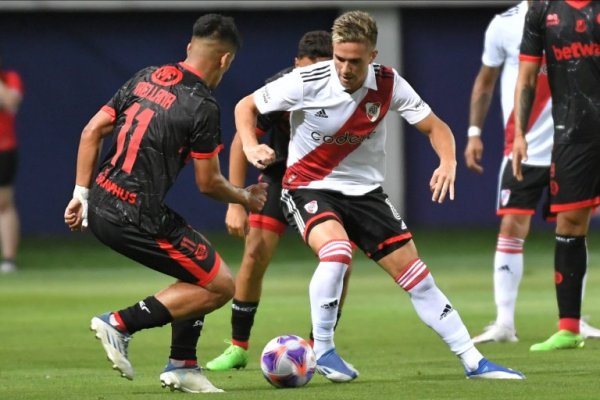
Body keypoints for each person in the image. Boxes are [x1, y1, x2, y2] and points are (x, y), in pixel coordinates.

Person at [235, 10, 524, 381]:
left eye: (354, 61)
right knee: (337, 252)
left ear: (372, 55)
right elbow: (246, 105)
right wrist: (250, 145)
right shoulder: (306, 80)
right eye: (339, 58)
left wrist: (448, 160)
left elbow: (436, 127)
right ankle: (322, 349)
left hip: (366, 193)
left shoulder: (388, 84)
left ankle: (474, 362)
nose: (344, 68)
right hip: (308, 186)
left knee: (419, 278)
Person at [63, 14, 267, 393]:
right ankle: (119, 323)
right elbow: (208, 183)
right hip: (136, 214)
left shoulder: (146, 76)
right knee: (221, 286)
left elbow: (91, 131)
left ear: (190, 47)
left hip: (103, 204)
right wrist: (244, 197)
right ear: (226, 61)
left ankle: (183, 364)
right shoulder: (202, 105)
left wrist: (80, 195)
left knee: (199, 269)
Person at [206, 30, 352, 372]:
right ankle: (238, 347)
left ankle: (320, 347)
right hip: (279, 178)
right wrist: (236, 201)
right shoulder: (281, 88)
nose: (316, 78)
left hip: (327, 183)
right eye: (309, 70)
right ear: (296, 65)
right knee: (254, 254)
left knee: (341, 260)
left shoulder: (347, 88)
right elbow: (246, 139)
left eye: (324, 70)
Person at [464, 0, 600, 344]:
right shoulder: (505, 24)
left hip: (572, 141)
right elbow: (485, 82)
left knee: (574, 225)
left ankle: (573, 319)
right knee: (512, 224)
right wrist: (474, 133)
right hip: (522, 148)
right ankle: (504, 322)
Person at [513, 0, 600, 352]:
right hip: (571, 133)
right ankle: (569, 328)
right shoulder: (541, 10)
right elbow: (527, 77)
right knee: (569, 223)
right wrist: (520, 133)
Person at [0, 53, 23, 274]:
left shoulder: (10, 79)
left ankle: (8, 259)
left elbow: (11, 101)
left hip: (3, 149)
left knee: (4, 203)